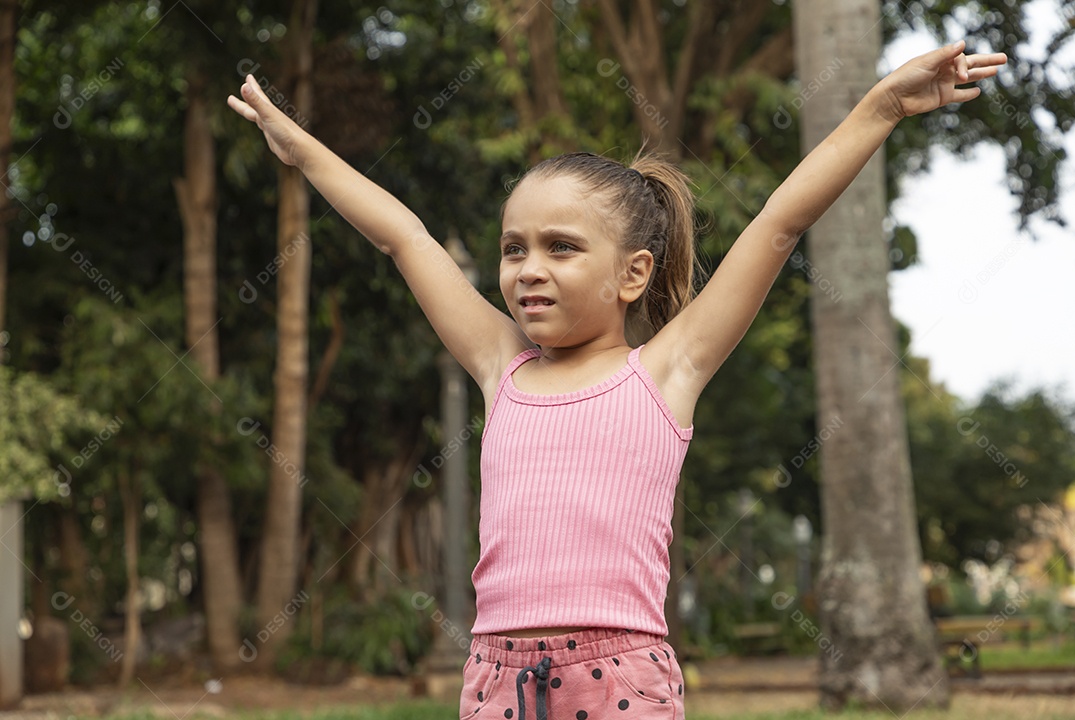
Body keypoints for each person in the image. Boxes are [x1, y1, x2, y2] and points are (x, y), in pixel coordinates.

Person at [229, 39, 1006, 720]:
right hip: (493, 674)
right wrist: (302, 149)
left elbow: (778, 223)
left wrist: (880, 107)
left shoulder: (667, 370)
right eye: (513, 249)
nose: (528, 269)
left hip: (621, 676)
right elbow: (405, 238)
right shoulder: (501, 366)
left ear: (633, 274)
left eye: (560, 248)